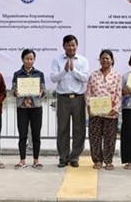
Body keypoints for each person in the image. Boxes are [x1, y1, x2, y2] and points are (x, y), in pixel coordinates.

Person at [50, 34, 89, 168]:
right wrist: (64, 71)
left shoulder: (83, 60)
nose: (71, 47)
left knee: (79, 129)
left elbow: (85, 78)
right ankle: (63, 157)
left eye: (73, 45)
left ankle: (75, 157)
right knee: (62, 129)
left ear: (76, 46)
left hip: (78, 98)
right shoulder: (57, 60)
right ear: (64, 46)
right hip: (63, 98)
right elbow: (53, 78)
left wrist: (73, 70)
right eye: (68, 45)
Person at [86, 50, 122, 170]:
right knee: (95, 137)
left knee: (110, 137)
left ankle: (108, 161)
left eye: (107, 58)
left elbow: (118, 93)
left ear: (112, 60)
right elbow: (88, 92)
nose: (105, 60)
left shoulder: (117, 76)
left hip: (111, 113)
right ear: (99, 60)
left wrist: (115, 108)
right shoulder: (93, 75)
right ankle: (97, 160)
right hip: (95, 112)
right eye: (102, 58)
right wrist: (89, 107)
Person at [12, 49, 45, 170]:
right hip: (22, 108)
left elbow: (44, 90)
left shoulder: (39, 74)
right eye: (27, 58)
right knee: (22, 135)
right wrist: (16, 92)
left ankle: (36, 160)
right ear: (22, 59)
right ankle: (22, 160)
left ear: (34, 60)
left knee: (36, 135)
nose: (29, 61)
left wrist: (41, 92)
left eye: (31, 59)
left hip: (36, 107)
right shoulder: (17, 74)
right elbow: (13, 90)